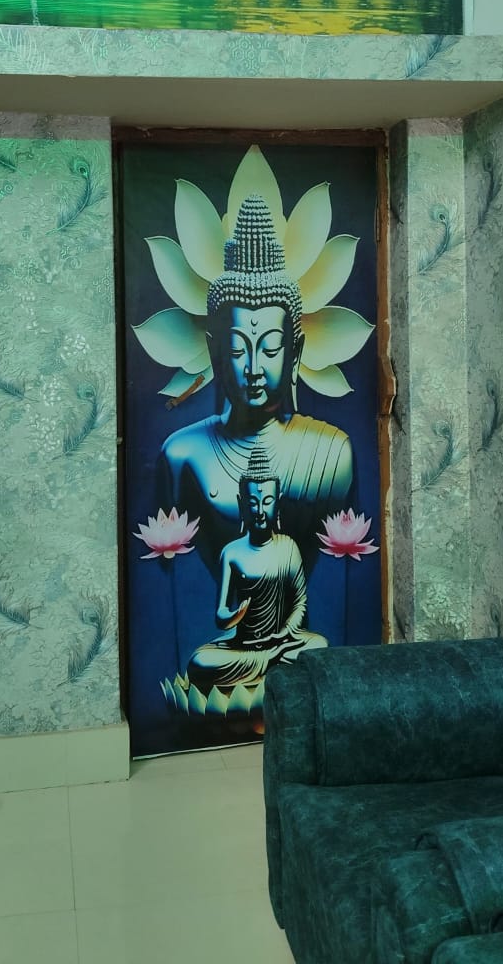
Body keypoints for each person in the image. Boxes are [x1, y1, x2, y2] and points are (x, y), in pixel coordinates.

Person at [158, 193, 353, 575]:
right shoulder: (182, 455)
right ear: (215, 352)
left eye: (270, 347)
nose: (253, 367)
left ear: (294, 352)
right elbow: (168, 576)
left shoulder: (332, 454)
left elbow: (346, 571)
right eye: (237, 349)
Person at [185, 447, 327, 699]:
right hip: (243, 645)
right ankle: (269, 662)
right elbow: (220, 614)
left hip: (283, 641)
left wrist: (286, 631)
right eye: (252, 503)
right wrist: (233, 617)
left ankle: (269, 660)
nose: (260, 510)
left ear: (278, 503)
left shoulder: (288, 547)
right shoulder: (232, 553)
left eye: (267, 501)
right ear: (242, 504)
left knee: (319, 645)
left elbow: (300, 603)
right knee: (200, 661)